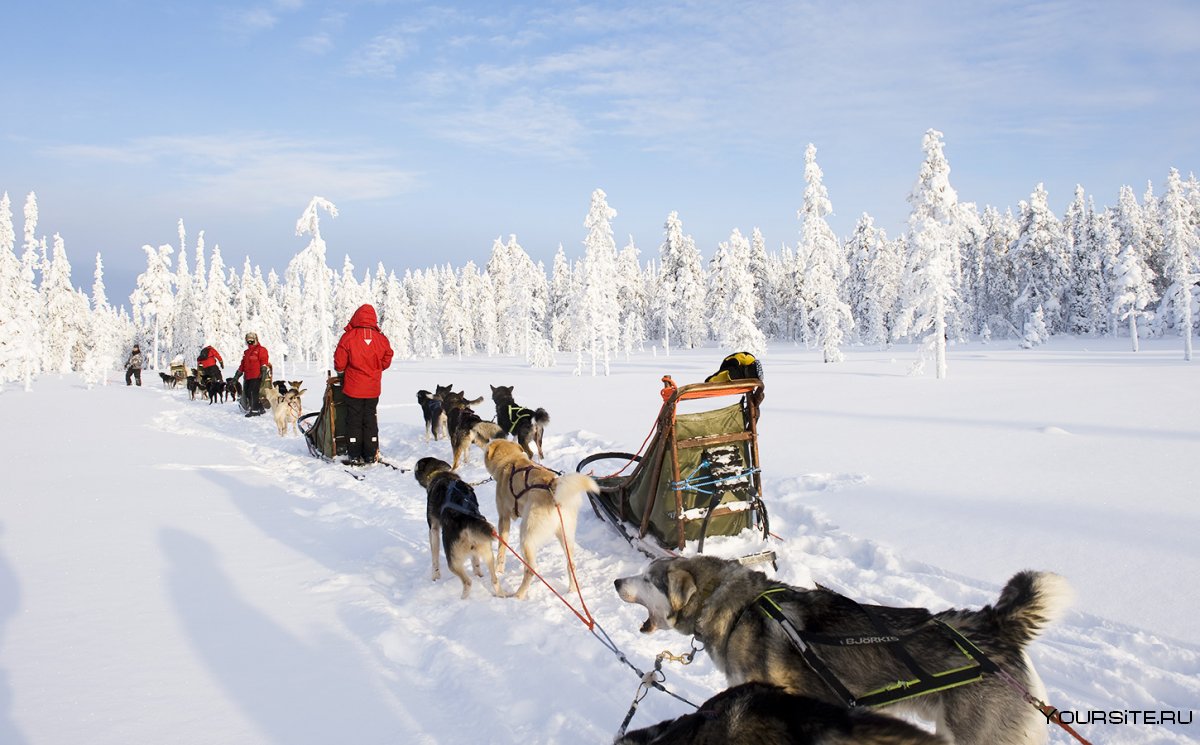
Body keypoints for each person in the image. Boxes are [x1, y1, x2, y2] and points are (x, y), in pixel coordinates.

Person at [334, 304, 394, 465]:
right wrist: (377, 367)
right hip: (373, 388)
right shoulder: (381, 338)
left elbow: (339, 363)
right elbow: (388, 357)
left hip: (353, 388)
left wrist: (342, 370)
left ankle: (354, 453)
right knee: (369, 419)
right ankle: (370, 453)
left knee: (353, 419)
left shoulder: (348, 337)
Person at [234, 332, 270, 417]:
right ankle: (260, 408)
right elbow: (242, 364)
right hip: (247, 376)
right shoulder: (246, 352)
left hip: (256, 375)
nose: (249, 341)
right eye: (248, 340)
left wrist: (263, 371)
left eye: (251, 339)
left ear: (255, 339)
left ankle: (254, 410)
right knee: (247, 392)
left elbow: (264, 361)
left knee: (253, 392)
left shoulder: (261, 349)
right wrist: (237, 375)